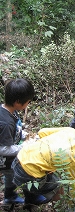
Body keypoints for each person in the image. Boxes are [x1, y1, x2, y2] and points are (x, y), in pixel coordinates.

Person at [11, 127, 75, 207]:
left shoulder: (70, 131)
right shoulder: (72, 159)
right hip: (26, 173)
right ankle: (60, 208)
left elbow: (42, 132)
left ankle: (31, 201)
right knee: (58, 187)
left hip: (21, 156)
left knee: (46, 174)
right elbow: (71, 186)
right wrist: (72, 205)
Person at [0, 78, 35, 206]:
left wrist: (26, 136)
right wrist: (23, 147)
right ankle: (30, 198)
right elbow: (3, 148)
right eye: (28, 102)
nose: (28, 104)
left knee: (10, 176)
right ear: (17, 102)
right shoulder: (5, 123)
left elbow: (15, 129)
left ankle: (10, 196)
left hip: (9, 156)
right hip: (5, 159)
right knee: (20, 174)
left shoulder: (9, 111)